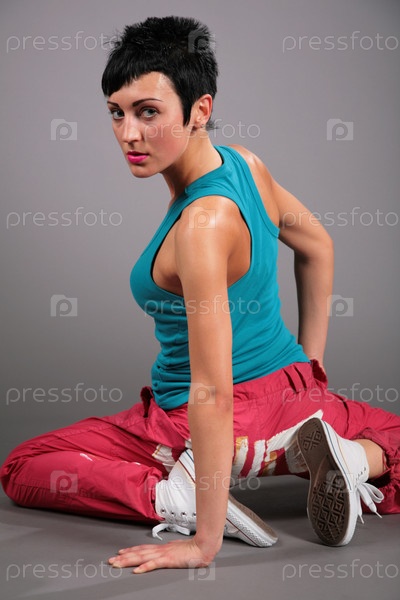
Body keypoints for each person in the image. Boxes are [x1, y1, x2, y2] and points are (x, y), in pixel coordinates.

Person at [1, 15, 399, 574]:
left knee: (26, 465)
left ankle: (176, 493)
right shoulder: (245, 165)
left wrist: (202, 543)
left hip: (203, 418)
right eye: (116, 112)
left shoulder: (201, 226)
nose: (128, 134)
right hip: (292, 395)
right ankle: (349, 458)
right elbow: (319, 245)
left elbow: (211, 391)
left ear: (200, 110)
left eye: (148, 112)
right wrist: (311, 371)